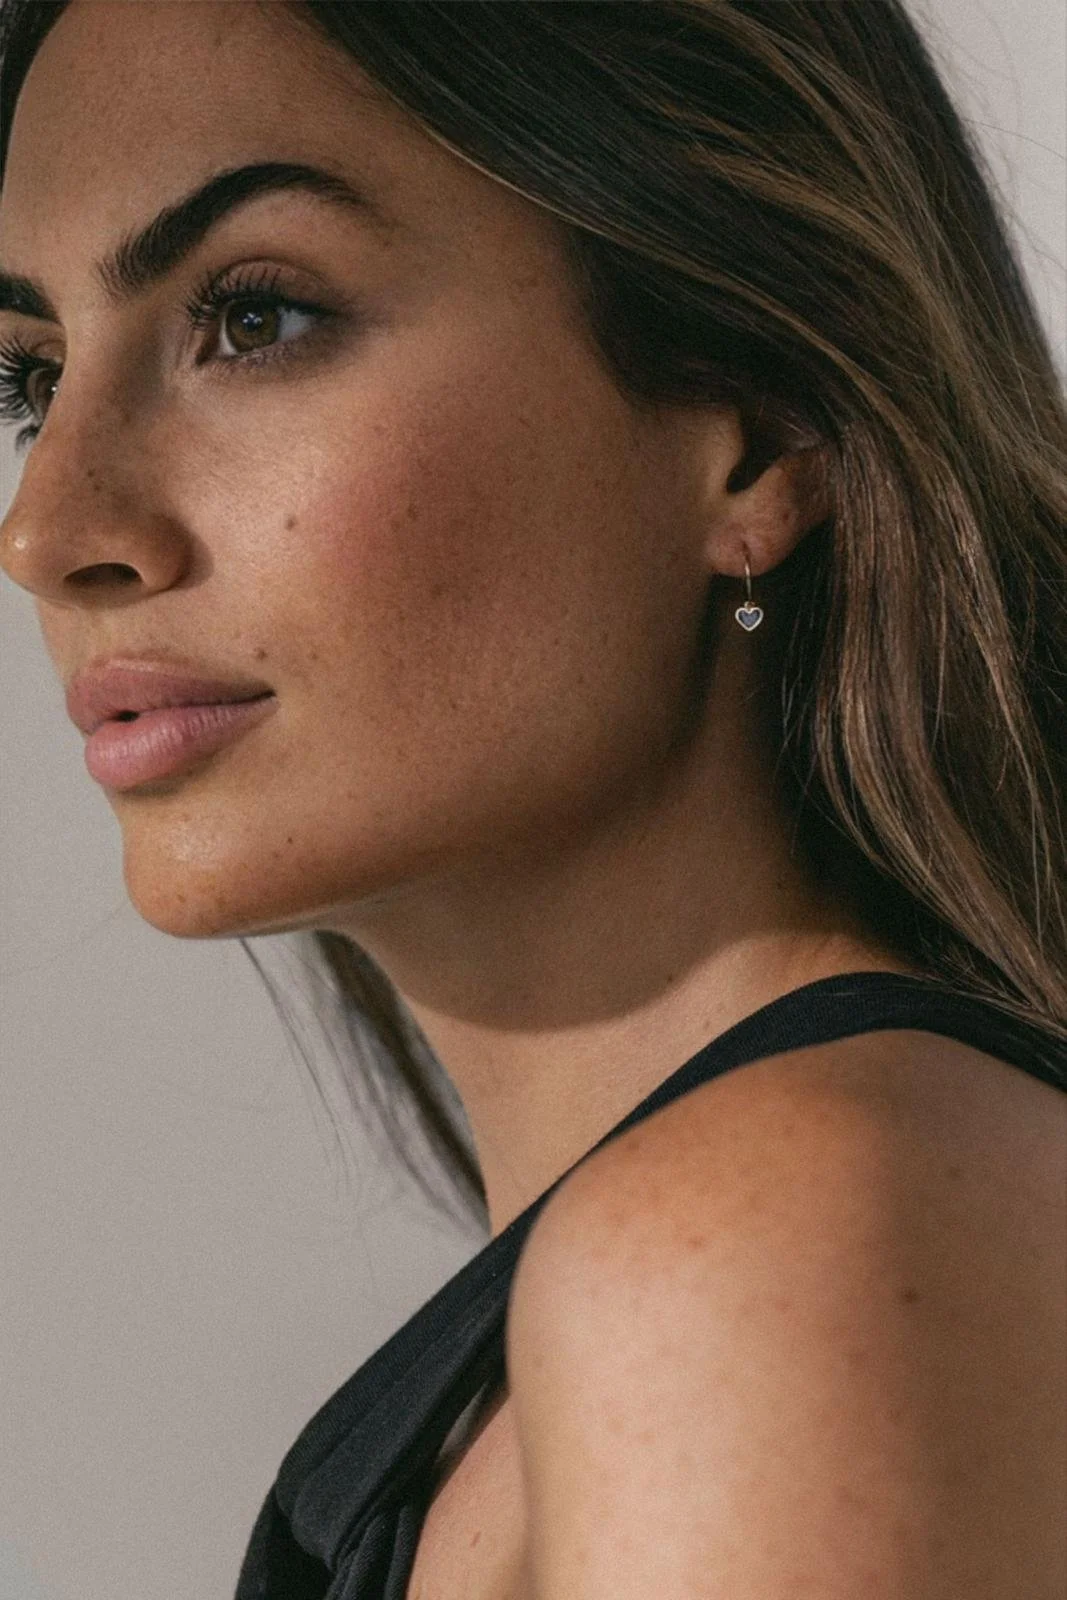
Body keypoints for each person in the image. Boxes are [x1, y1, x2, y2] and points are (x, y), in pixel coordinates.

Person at [0, 2, 1064, 1596]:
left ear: (756, 433)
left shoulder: (760, 1254)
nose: (47, 528)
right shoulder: (802, 1238)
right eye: (29, 379)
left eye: (255, 317)